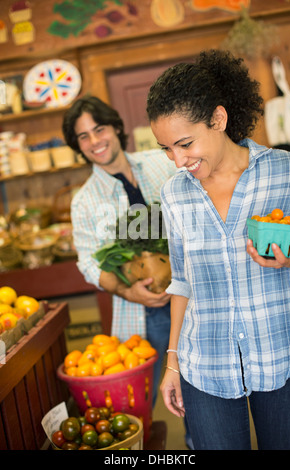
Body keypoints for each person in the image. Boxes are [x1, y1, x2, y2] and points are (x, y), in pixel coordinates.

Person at [146, 49, 290, 450]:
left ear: (218, 119)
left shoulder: (288, 172)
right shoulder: (174, 194)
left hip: (285, 355)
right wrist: (172, 364)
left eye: (184, 143)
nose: (177, 160)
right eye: (166, 148)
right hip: (206, 365)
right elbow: (181, 283)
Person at [62, 95, 176, 407]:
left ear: (115, 127)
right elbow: (88, 264)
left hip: (190, 299)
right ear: (78, 145)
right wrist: (130, 292)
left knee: (197, 394)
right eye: (83, 136)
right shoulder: (84, 202)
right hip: (142, 314)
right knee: (138, 405)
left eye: (99, 129)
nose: (94, 141)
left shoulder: (160, 163)